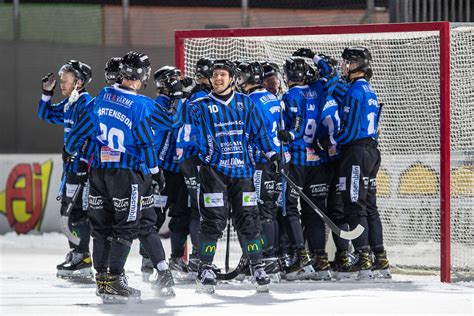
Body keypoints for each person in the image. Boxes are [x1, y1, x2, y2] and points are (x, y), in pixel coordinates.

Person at [66, 51, 170, 302]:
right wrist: (156, 172)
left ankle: (102, 280)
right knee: (127, 227)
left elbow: (74, 139)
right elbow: (152, 138)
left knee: (101, 229)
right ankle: (114, 280)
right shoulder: (143, 104)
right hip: (127, 174)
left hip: (99, 172)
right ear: (143, 75)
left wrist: (80, 154)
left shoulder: (101, 97)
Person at [189, 59, 280, 293]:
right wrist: (199, 153)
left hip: (242, 173)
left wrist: (272, 154)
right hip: (213, 174)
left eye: (222, 74)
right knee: (213, 221)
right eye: (214, 75)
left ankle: (257, 266)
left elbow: (260, 132)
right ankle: (206, 267)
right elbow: (190, 135)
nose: (218, 78)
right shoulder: (199, 105)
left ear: (232, 78)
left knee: (249, 221)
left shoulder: (246, 103)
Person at [313, 47, 389, 279]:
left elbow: (350, 131)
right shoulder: (367, 89)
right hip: (371, 152)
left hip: (356, 153)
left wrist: (328, 142)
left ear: (357, 65)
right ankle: (380, 257)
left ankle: (363, 257)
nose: (344, 66)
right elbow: (335, 81)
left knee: (354, 206)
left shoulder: (356, 91)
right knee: (369, 207)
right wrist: (317, 60)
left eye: (347, 62)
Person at [38, 60, 93, 279]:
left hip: (81, 169)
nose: (61, 83)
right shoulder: (70, 102)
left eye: (65, 80)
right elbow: (47, 115)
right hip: (70, 167)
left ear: (78, 82)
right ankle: (76, 252)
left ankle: (83, 257)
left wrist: (78, 157)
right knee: (68, 212)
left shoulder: (86, 103)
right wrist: (46, 93)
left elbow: (87, 135)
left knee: (76, 213)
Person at [236, 60, 284, 278]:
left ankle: (266, 258)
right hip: (275, 159)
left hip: (259, 162)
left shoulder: (250, 101)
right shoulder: (271, 97)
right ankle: (266, 257)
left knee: (259, 210)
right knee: (268, 210)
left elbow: (250, 133)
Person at [276, 57, 317, 281]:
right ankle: (315, 256)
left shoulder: (291, 95)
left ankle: (300, 257)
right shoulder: (315, 91)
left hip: (298, 157)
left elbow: (298, 120)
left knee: (288, 207)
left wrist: (291, 134)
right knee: (309, 211)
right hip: (316, 159)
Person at [175, 57, 214, 274]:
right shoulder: (202, 96)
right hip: (196, 156)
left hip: (188, 157)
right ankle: (199, 258)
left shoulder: (193, 94)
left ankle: (198, 257)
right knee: (201, 210)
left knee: (196, 209)